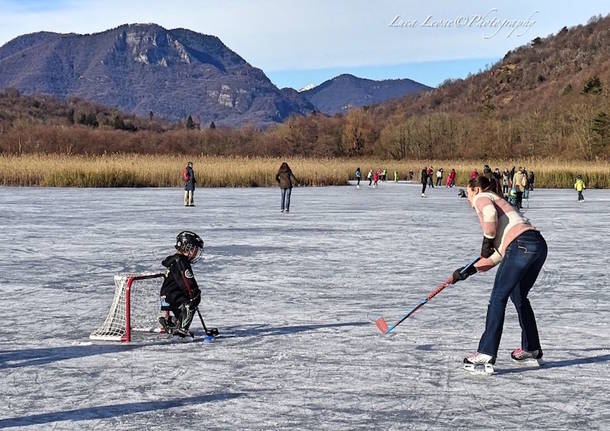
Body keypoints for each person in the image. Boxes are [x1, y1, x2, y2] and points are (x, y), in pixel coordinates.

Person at [453, 176, 547, 370]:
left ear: (476, 189)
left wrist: (487, 240)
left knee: (498, 297)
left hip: (520, 245)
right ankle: (531, 348)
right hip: (537, 245)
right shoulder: (501, 203)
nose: (469, 199)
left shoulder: (484, 197)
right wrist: (469, 270)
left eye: (468, 194)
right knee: (518, 295)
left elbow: (488, 215)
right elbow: (499, 254)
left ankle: (486, 352)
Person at [159, 231, 204, 338]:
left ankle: (171, 323)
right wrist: (194, 293)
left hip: (167, 295)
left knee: (182, 314)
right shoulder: (181, 261)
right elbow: (186, 280)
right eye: (195, 250)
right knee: (191, 305)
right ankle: (182, 332)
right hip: (174, 295)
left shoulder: (175, 259)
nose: (196, 253)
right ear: (187, 247)